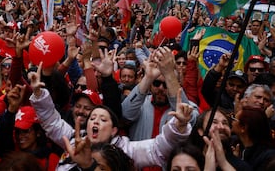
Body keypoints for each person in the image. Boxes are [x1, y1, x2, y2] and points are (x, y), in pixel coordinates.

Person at [29, 50, 194, 170]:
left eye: (103, 119)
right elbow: (51, 121)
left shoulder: (125, 149)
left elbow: (158, 148)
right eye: (93, 118)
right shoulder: (74, 138)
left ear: (114, 130)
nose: (95, 121)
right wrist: (39, 94)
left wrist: (179, 126)